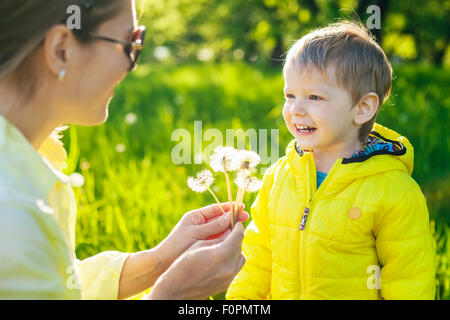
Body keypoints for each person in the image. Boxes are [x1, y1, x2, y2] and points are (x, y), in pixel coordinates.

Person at [0, 0, 247, 300]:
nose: (133, 65)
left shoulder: (26, 170)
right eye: (130, 44)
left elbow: (56, 284)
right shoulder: (12, 210)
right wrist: (172, 294)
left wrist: (158, 262)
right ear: (60, 51)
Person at [226, 21, 436, 300]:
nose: (296, 109)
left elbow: (409, 280)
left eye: (314, 97)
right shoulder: (279, 177)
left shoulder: (394, 191)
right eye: (290, 95)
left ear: (362, 108)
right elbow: (256, 259)